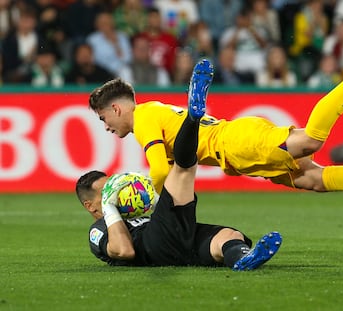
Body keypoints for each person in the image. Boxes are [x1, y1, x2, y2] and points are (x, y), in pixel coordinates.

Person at [88, 51, 343, 225]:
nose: (105, 126)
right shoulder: (155, 110)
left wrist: (152, 207)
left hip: (235, 142)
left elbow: (159, 171)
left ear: (116, 108)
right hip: (234, 150)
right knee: (311, 178)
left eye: (103, 118)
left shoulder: (143, 117)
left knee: (310, 141)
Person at [76, 64, 282, 269]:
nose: (115, 194)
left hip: (177, 240)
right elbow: (125, 251)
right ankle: (192, 118)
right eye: (106, 193)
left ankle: (242, 258)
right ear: (90, 206)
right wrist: (110, 208)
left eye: (113, 188)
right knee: (182, 169)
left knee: (228, 236)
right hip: (154, 244)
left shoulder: (135, 214)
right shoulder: (99, 230)